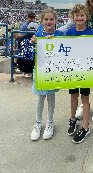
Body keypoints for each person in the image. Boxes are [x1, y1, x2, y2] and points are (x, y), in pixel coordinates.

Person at [30, 9, 64, 141]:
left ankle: (50, 122)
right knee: (40, 98)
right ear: (41, 21)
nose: (49, 22)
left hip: (53, 71)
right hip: (40, 70)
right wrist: (34, 42)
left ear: (55, 21)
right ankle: (38, 122)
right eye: (46, 19)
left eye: (51, 19)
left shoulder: (60, 34)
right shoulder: (38, 33)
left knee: (51, 96)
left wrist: (55, 41)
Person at [65, 4, 93, 144]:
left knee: (85, 98)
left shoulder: (91, 33)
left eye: (82, 15)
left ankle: (85, 126)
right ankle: (72, 119)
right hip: (72, 70)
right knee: (73, 96)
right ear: (73, 17)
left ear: (86, 17)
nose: (79, 18)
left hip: (85, 70)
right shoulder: (69, 32)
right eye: (77, 15)